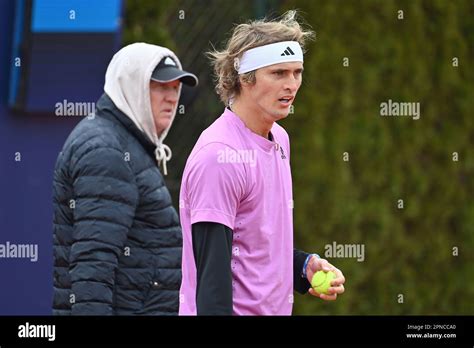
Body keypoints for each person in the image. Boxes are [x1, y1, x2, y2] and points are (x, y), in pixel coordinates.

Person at [179, 11, 345, 315]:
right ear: (244, 78)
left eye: (297, 72)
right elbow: (212, 284)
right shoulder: (218, 156)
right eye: (278, 73)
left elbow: (256, 245)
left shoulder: (280, 139)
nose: (292, 85)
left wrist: (302, 266)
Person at [52, 43, 198, 315]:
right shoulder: (106, 149)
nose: (171, 98)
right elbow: (93, 266)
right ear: (131, 85)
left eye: (175, 88)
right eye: (159, 86)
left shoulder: (125, 144)